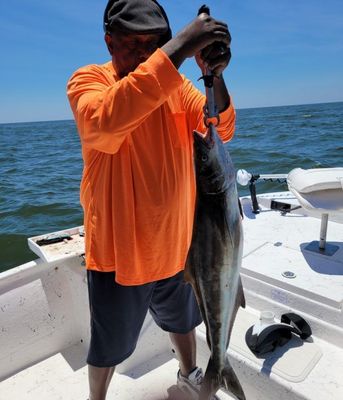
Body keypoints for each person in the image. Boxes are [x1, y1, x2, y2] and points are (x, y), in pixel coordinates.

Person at [67, 1, 235, 399]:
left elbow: (221, 129)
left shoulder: (174, 86)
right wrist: (174, 50)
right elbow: (103, 124)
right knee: (110, 345)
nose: (145, 53)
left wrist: (213, 77)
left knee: (184, 321)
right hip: (118, 253)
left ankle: (191, 374)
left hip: (178, 248)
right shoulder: (89, 81)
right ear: (109, 42)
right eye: (133, 43)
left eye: (154, 42)